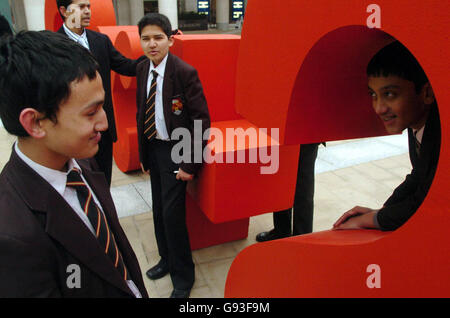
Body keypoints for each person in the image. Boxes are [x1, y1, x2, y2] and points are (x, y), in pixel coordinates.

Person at [0, 31, 148, 298]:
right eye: (91, 113)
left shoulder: (81, 161)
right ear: (35, 123)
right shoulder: (12, 235)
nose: (104, 123)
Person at [136, 13, 210, 298]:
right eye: (146, 38)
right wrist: (143, 155)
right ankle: (165, 260)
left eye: (157, 38)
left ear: (170, 39)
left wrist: (189, 163)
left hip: (176, 151)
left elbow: (201, 120)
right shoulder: (144, 68)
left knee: (173, 216)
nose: (152, 44)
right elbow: (142, 111)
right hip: (154, 149)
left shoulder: (184, 72)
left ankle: (183, 278)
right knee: (158, 211)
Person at [333, 41, 440, 231]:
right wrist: (381, 212)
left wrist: (372, 219)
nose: (379, 108)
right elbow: (418, 176)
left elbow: (429, 201)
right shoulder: (417, 123)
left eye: (390, 94)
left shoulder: (440, 136)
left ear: (427, 93)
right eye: (373, 94)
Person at [56, 0, 145, 186]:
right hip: (72, 128)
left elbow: (126, 66)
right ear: (64, 11)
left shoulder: (101, 40)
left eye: (88, 6)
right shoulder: (54, 46)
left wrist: (152, 57)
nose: (87, 11)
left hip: (102, 128)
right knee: (79, 184)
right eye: (81, 7)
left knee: (104, 181)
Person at [256, 143, 320, 241]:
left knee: (303, 186)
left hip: (307, 135)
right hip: (282, 134)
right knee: (281, 179)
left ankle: (302, 239)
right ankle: (281, 231)